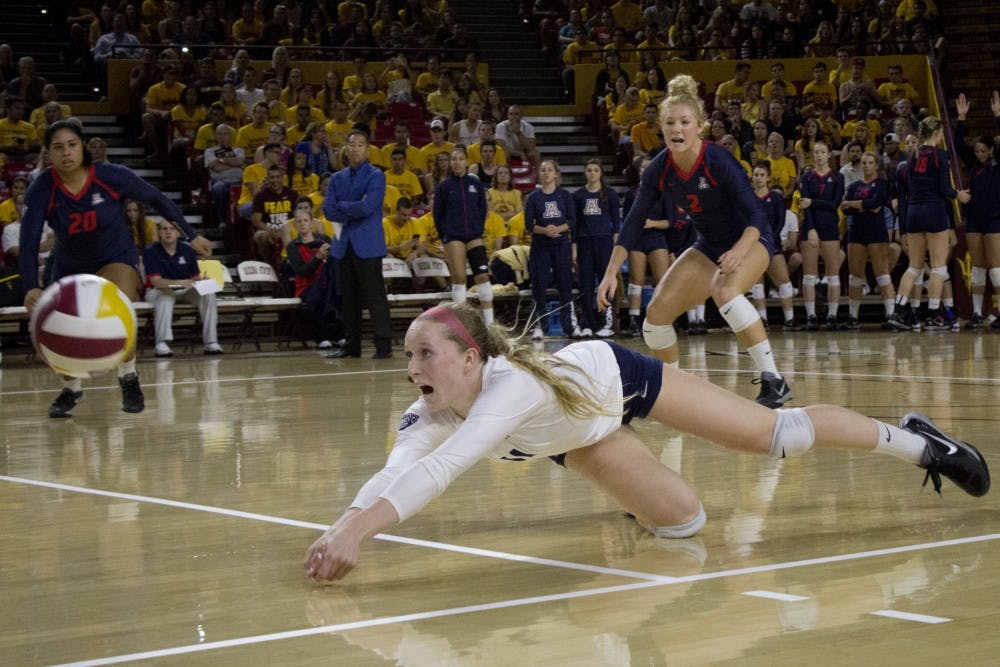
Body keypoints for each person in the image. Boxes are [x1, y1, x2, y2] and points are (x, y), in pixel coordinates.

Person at [304, 300, 991, 582]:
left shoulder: (507, 387)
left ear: (469, 358)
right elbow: (396, 470)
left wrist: (357, 533)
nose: (412, 368)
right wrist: (343, 524)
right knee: (684, 522)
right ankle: (634, 500)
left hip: (619, 381)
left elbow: (445, 469)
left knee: (778, 435)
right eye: (409, 355)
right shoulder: (428, 411)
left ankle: (921, 444)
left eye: (424, 353)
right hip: (575, 436)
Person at [597, 75, 792, 409]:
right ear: (662, 127)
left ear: (699, 127)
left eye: (685, 122)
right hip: (709, 245)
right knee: (656, 316)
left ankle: (774, 380)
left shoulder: (717, 160)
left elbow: (757, 216)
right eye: (670, 122)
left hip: (751, 239)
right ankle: (672, 391)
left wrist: (738, 251)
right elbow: (632, 223)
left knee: (724, 291)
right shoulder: (658, 168)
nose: (677, 129)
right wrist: (610, 272)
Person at [19, 120, 211, 417]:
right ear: (48, 153)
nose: (66, 152)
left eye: (72, 145)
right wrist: (31, 286)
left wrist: (190, 234)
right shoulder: (42, 189)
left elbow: (156, 198)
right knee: (55, 328)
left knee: (118, 306)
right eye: (58, 147)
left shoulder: (111, 175)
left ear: (82, 147)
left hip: (115, 255)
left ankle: (128, 375)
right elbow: (28, 243)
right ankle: (71, 388)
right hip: (69, 264)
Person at [888, 117, 971, 331]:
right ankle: (934, 315)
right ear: (936, 132)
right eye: (941, 132)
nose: (942, 135)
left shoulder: (912, 157)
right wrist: (959, 195)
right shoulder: (940, 155)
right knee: (938, 266)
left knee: (914, 266)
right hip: (934, 211)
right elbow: (944, 188)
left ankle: (898, 311)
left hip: (913, 213)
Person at [322, 129, 392, 359]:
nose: (355, 149)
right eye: (351, 145)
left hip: (368, 244)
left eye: (360, 145)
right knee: (348, 299)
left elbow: (368, 207)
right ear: (346, 148)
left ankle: (383, 347)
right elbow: (328, 210)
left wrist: (342, 205)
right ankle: (352, 346)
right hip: (343, 245)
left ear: (367, 149)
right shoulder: (336, 177)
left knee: (375, 298)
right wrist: (352, 206)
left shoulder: (376, 175)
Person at [954, 92, 1000, 329]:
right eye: (977, 151)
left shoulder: (997, 165)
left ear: (992, 150)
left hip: (994, 220)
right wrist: (962, 118)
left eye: (984, 150)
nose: (979, 154)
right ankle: (976, 313)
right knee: (978, 267)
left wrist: (997, 115)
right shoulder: (973, 165)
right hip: (973, 220)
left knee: (996, 267)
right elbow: (958, 144)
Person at [143, 221, 223, 357]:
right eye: (164, 229)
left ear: (178, 233)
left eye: (172, 229)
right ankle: (161, 343)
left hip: (183, 290)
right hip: (157, 291)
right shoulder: (151, 251)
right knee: (165, 295)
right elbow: (156, 282)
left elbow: (195, 277)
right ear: (159, 232)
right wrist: (179, 282)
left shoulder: (187, 250)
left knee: (208, 293)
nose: (168, 232)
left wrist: (202, 281)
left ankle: (211, 342)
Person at [433, 147, 494, 324]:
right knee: (459, 278)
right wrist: (445, 235)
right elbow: (437, 214)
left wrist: (478, 228)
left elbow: (482, 209)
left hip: (474, 235)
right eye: (454, 159)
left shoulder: (476, 184)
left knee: (483, 276)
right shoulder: (444, 186)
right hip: (453, 236)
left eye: (461, 159)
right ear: (450, 163)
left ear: (467, 162)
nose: (457, 162)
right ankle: (462, 324)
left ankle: (490, 324)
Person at [842, 151, 896, 329]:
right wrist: (863, 205)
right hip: (856, 232)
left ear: (876, 165)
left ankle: (890, 314)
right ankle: (853, 316)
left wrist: (854, 204)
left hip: (876, 232)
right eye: (864, 163)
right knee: (855, 276)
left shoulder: (882, 184)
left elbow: (876, 203)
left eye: (870, 163)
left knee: (882, 274)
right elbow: (845, 209)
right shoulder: (853, 186)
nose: (866, 166)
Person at [525, 159, 576, 340]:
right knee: (539, 286)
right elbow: (529, 225)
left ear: (556, 174)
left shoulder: (565, 195)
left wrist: (558, 229)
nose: (546, 172)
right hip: (540, 246)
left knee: (565, 285)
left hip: (561, 245)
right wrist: (545, 230)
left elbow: (572, 220)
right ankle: (540, 325)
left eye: (549, 170)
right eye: (543, 170)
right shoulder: (533, 197)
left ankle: (569, 326)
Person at [799, 141, 846, 330]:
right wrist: (811, 228)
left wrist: (812, 202)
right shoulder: (807, 177)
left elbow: (834, 204)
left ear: (828, 155)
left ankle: (832, 316)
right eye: (816, 152)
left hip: (830, 227)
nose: (818, 155)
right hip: (811, 227)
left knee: (833, 273)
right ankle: (811, 316)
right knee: (809, 274)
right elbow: (804, 206)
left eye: (822, 152)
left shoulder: (837, 177)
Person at [573, 159, 620, 338]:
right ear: (585, 173)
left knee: (606, 282)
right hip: (584, 243)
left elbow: (616, 223)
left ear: (601, 173)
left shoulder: (609, 194)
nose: (592, 173)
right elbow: (575, 224)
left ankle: (608, 322)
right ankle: (587, 323)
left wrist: (616, 246)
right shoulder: (578, 196)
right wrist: (574, 247)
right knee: (585, 283)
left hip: (604, 242)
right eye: (589, 170)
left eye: (595, 170)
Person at [750, 162, 798, 330]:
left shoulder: (776, 198)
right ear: (752, 177)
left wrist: (768, 238)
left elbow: (780, 222)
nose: (759, 178)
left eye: (762, 175)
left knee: (784, 281)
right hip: (752, 246)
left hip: (772, 244)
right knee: (757, 283)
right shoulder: (747, 198)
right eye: (756, 175)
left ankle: (790, 319)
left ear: (768, 177)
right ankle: (762, 320)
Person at [286, 198, 339, 349]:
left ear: (311, 223)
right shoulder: (293, 246)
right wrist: (318, 257)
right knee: (318, 295)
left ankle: (340, 335)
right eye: (299, 221)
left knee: (339, 293)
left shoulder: (324, 240)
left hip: (326, 282)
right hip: (306, 286)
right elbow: (302, 271)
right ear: (295, 224)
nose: (302, 224)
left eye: (305, 220)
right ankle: (321, 337)